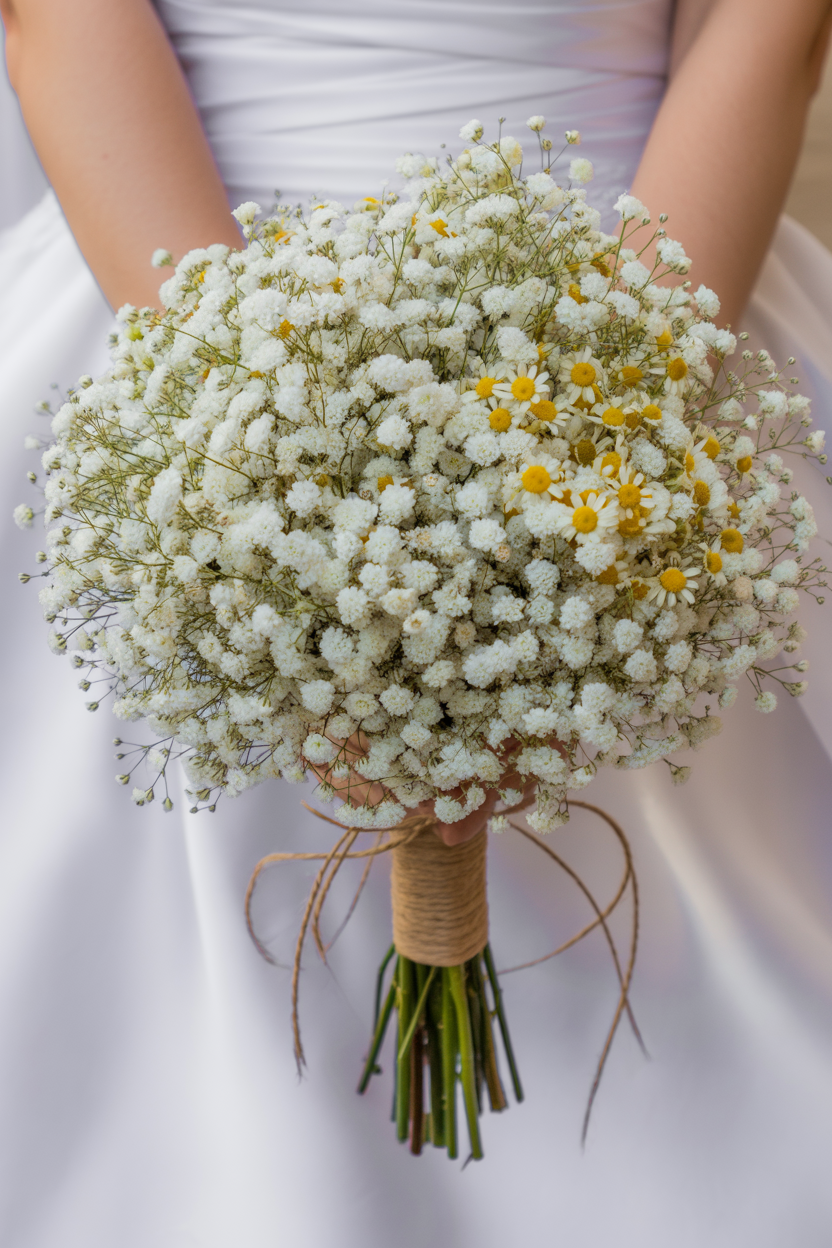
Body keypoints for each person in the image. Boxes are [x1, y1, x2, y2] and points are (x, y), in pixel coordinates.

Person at [1, 1, 832, 1244]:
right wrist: (243, 439)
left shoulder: (631, 370)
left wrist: (620, 411)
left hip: (649, 281)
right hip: (170, 287)